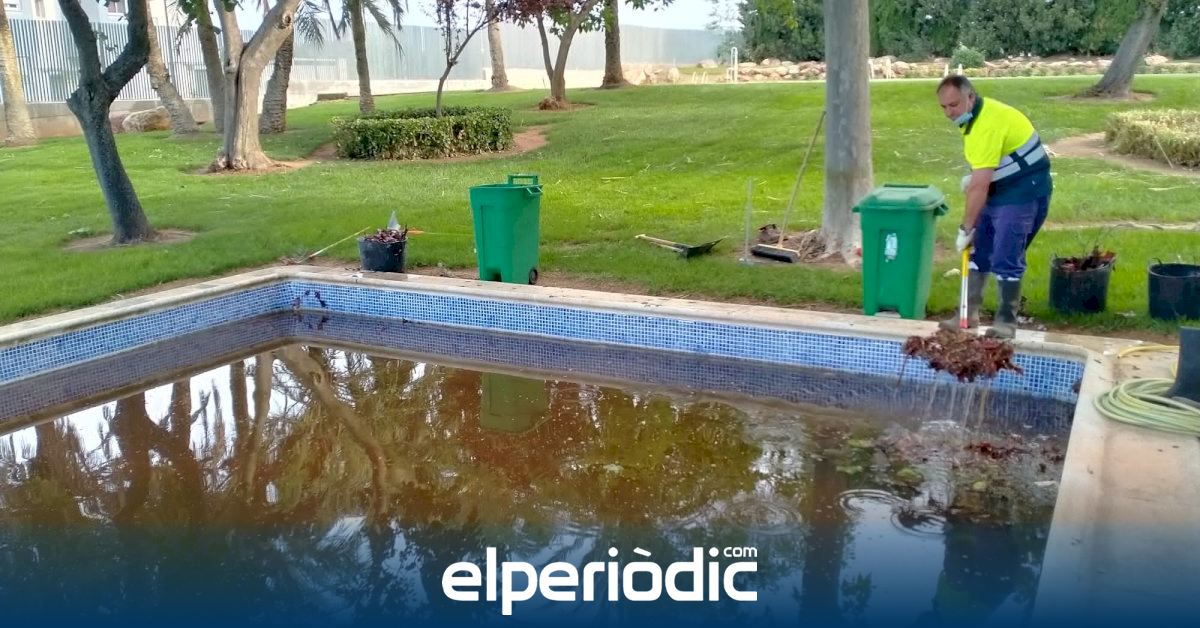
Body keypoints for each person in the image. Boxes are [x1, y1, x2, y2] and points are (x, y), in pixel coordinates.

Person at [936, 76, 1052, 339]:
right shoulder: (973, 119)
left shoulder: (986, 125)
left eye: (953, 105)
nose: (949, 113)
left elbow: (980, 186)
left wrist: (966, 227)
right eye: (943, 107)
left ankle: (1006, 323)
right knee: (980, 251)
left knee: (1005, 255)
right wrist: (976, 179)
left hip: (1024, 191)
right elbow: (984, 170)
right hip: (1001, 186)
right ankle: (967, 315)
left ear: (971, 97)